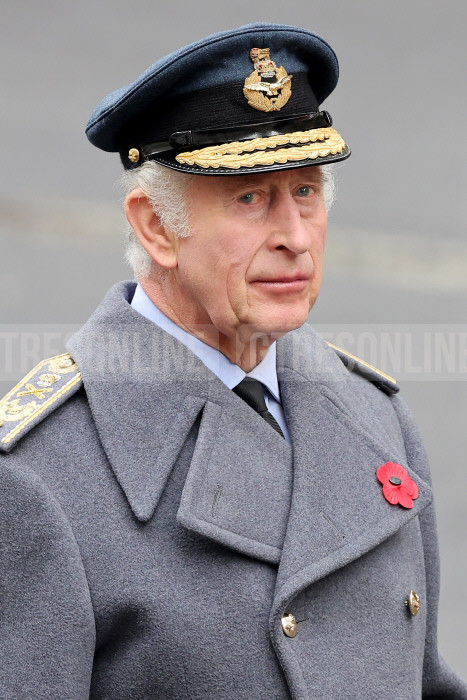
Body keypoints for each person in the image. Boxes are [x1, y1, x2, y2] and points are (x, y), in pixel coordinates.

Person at [0, 22, 465, 700]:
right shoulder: (40, 478)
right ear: (155, 227)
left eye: (305, 192)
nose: (294, 239)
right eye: (251, 199)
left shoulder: (374, 417)